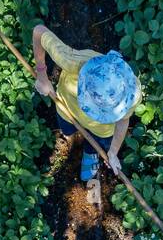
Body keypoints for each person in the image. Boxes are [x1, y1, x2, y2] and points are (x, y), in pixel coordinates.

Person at [32, 24, 141, 183]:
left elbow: (124, 120)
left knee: (96, 142)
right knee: (67, 129)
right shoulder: (71, 61)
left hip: (102, 130)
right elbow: (38, 31)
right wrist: (41, 75)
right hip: (67, 108)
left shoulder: (130, 93)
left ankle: (90, 152)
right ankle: (70, 134)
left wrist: (112, 152)